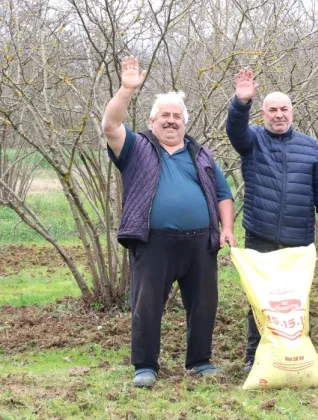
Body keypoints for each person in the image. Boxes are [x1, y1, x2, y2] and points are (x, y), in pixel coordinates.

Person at [101, 56, 236, 388]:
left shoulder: (201, 155)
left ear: (185, 123)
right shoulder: (137, 148)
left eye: (177, 116)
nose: (171, 121)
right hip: (153, 240)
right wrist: (126, 89)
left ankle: (200, 362)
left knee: (204, 304)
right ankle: (145, 366)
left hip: (200, 242)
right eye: (165, 115)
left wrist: (228, 228)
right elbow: (110, 125)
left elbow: (223, 193)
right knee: (146, 306)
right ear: (152, 120)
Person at [226, 68, 318, 372]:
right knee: (259, 299)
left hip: (298, 236)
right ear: (263, 114)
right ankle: (254, 355)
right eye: (272, 110)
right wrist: (241, 102)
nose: (279, 115)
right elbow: (235, 130)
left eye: (284, 109)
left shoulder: (310, 145)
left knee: (295, 299)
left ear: (293, 112)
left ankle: (295, 354)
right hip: (260, 233)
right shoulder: (253, 141)